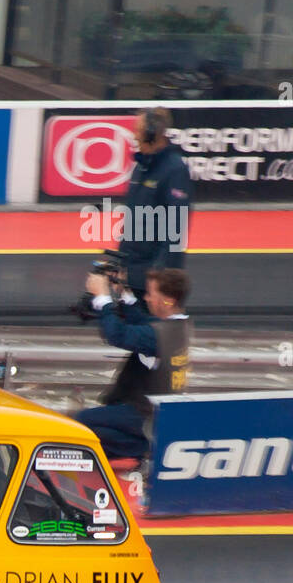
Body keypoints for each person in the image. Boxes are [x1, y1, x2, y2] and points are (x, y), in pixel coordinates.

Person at [76, 267, 192, 460]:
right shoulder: (179, 326)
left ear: (168, 301)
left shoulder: (158, 335)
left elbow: (117, 334)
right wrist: (124, 293)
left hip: (145, 415)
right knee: (95, 425)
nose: (146, 298)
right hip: (153, 412)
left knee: (80, 424)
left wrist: (103, 298)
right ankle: (141, 448)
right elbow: (143, 321)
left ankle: (142, 449)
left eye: (150, 294)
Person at [118, 106, 194, 304]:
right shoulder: (141, 167)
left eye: (138, 131)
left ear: (153, 134)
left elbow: (176, 228)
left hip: (155, 284)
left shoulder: (174, 170)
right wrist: (119, 264)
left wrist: (159, 276)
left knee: (156, 333)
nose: (134, 136)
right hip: (133, 275)